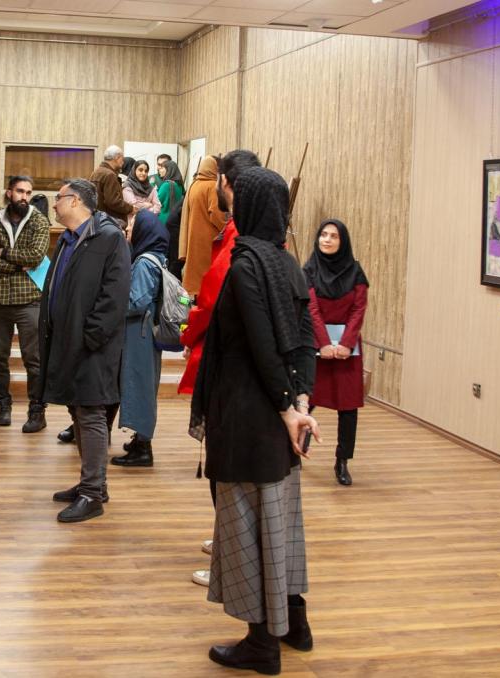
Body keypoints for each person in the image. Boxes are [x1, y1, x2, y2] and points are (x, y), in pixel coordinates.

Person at [192, 167, 319, 674]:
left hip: (249, 414)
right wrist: (300, 402)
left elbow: (263, 344)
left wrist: (288, 407)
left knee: (247, 525)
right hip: (280, 414)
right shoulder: (287, 263)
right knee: (281, 523)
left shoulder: (246, 265)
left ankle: (261, 643)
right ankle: (296, 624)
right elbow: (305, 339)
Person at [178, 149, 262, 588]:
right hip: (237, 363)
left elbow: (212, 302)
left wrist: (189, 332)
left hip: (230, 366)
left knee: (225, 465)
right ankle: (228, 539)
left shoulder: (239, 242)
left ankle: (231, 551)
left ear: (227, 184)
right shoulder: (252, 236)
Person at [41, 178, 130, 523]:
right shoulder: (69, 238)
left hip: (93, 346)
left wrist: (90, 336)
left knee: (91, 413)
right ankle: (92, 484)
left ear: (76, 201)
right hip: (68, 341)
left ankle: (92, 495)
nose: (54, 203)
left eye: (59, 198)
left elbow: (114, 296)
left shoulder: (108, 237)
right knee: (78, 411)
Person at [0, 176, 51, 432]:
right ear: (9, 192)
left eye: (28, 192)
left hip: (29, 300)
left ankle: (37, 411)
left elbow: (36, 256)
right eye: (20, 191)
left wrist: (5, 253)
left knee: (33, 360)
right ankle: (3, 405)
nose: (24, 196)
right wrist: (17, 266)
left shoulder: (39, 221)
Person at [305, 219, 369, 487]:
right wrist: (323, 343)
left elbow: (358, 309)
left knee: (348, 407)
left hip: (346, 350)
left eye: (333, 236)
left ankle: (342, 461)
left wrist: (345, 343)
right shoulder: (309, 270)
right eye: (323, 234)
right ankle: (297, 446)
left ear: (343, 241)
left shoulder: (356, 272)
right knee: (305, 400)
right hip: (317, 346)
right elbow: (310, 309)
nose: (327, 240)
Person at [111, 211, 169, 468]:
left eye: (133, 225)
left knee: (140, 386)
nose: (128, 229)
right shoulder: (158, 257)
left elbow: (137, 301)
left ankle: (144, 449)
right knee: (144, 384)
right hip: (146, 331)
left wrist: (112, 304)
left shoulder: (145, 262)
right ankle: (139, 440)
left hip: (139, 334)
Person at [179, 155, 228, 295]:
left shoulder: (193, 185)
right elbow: (217, 215)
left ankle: (192, 302)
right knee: (207, 279)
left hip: (193, 238)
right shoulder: (212, 186)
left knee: (194, 278)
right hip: (208, 241)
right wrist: (228, 227)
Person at [89, 145, 134, 226]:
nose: (123, 162)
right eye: (122, 159)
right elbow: (113, 202)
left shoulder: (96, 172)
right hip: (110, 222)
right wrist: (131, 208)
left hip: (98, 220)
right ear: (117, 157)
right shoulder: (110, 175)